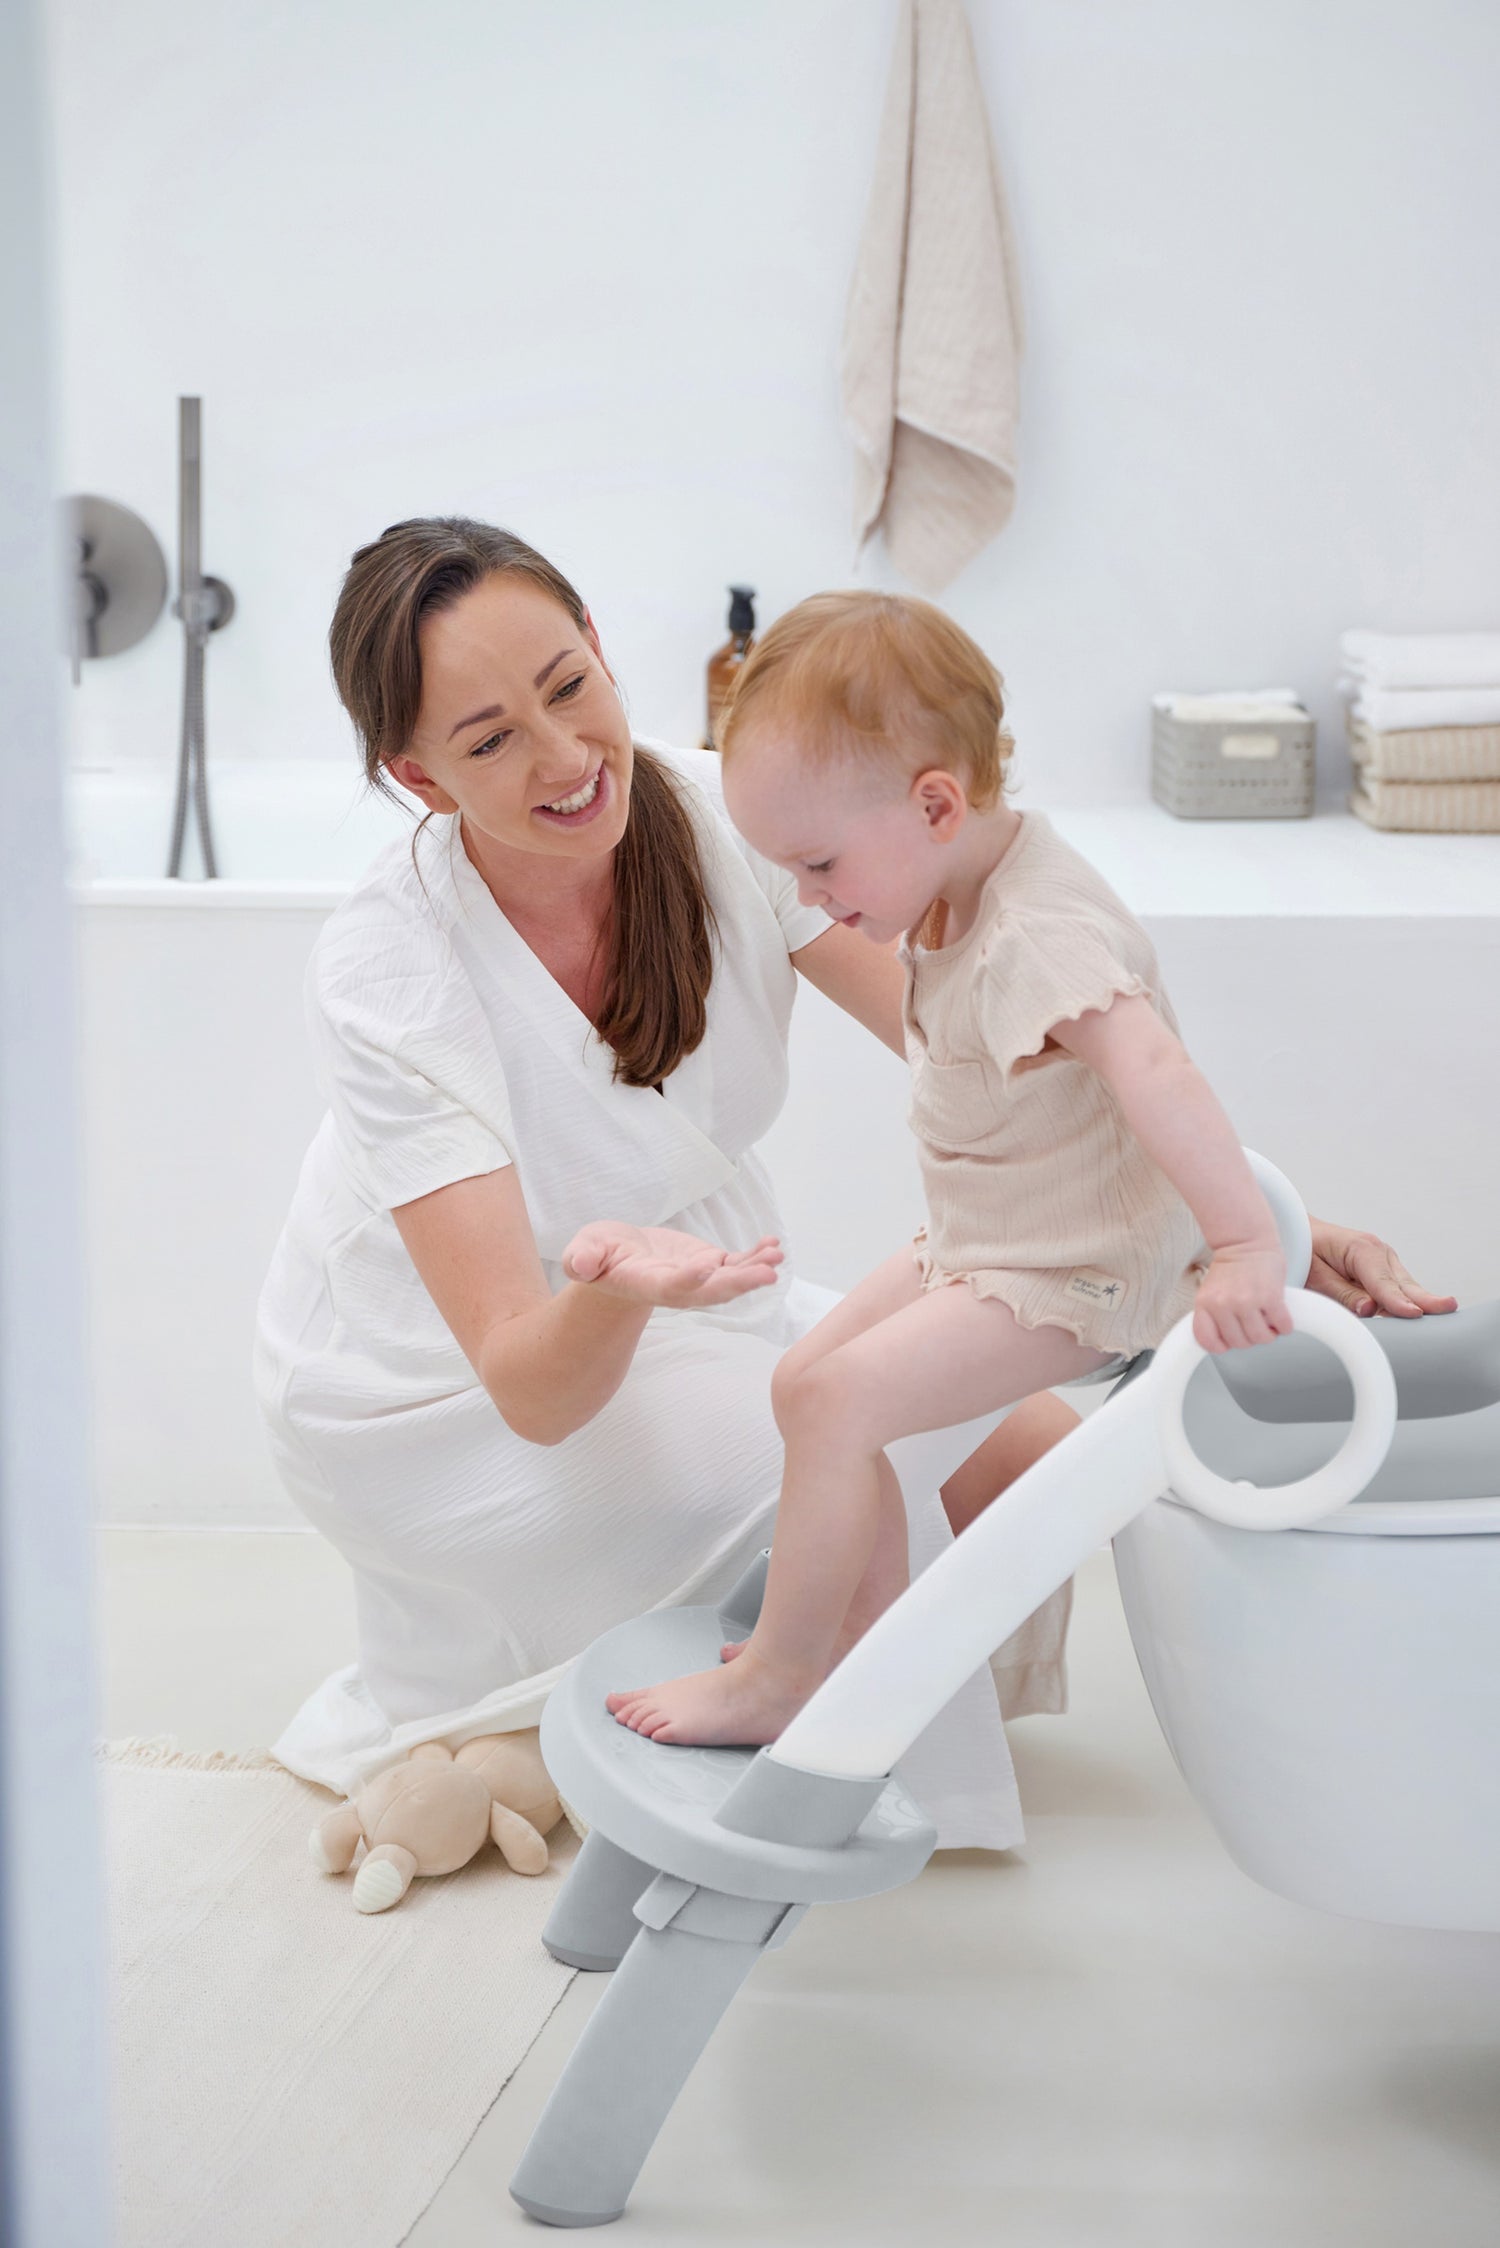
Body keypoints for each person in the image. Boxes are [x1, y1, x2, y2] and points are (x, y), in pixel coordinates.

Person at [255, 522, 1452, 1846]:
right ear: (417, 780)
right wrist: (619, 1292)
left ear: (598, 645)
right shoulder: (392, 967)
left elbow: (1017, 1052)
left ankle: (814, 1705)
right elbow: (531, 1387)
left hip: (693, 1297)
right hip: (446, 1387)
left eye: (567, 686)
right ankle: (761, 1724)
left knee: (1041, 1468)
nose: (564, 757)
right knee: (867, 1451)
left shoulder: (750, 816)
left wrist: (1267, 1222)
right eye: (489, 741)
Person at [604, 592, 1454, 1749]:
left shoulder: (1035, 933)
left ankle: (784, 1677)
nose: (808, 894)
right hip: (993, 1241)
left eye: (818, 862)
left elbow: (1155, 1069)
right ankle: (859, 1647)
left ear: (936, 802)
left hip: (1077, 1277)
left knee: (845, 1403)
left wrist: (1248, 1241)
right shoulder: (952, 886)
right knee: (805, 1385)